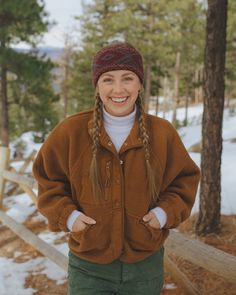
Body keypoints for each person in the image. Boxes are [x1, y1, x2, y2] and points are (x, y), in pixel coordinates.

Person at [33, 42, 201, 295]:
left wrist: (164, 214)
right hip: (89, 267)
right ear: (97, 86)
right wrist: (69, 217)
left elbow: (184, 181)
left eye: (128, 78)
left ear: (140, 84)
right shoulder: (71, 131)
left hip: (145, 266)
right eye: (108, 79)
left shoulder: (163, 133)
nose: (118, 89)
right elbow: (48, 180)